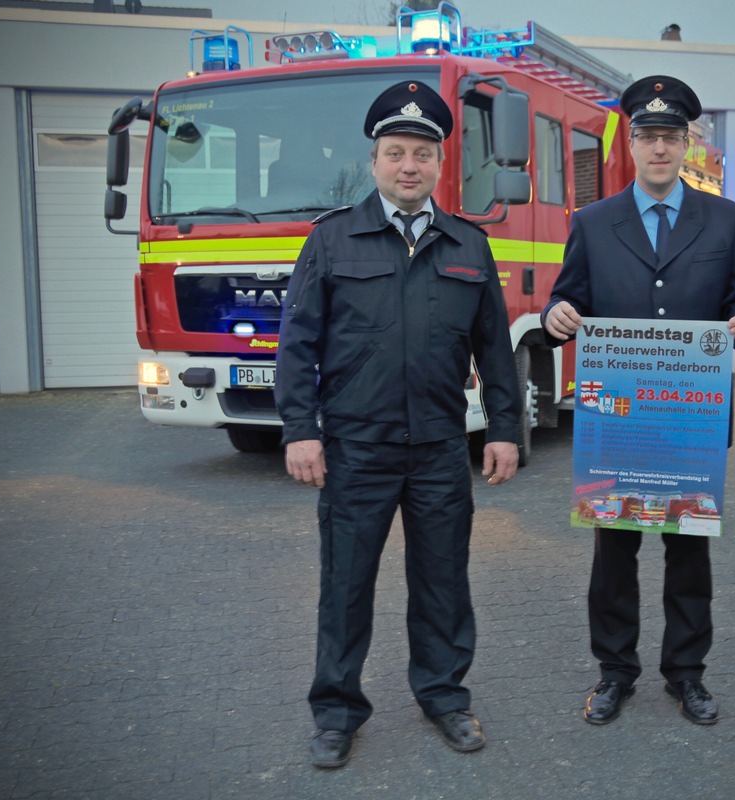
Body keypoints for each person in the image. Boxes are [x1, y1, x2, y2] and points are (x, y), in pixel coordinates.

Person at [275, 80, 521, 769]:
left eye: (420, 153)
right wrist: (300, 428)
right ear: (374, 161)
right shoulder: (332, 240)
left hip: (442, 448)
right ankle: (336, 711)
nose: (407, 165)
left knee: (444, 584)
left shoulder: (468, 244)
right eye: (394, 153)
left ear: (440, 163)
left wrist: (504, 427)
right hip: (356, 448)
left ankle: (444, 697)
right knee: (345, 585)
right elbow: (297, 343)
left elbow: (495, 348)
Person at [543, 75, 735, 727]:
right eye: (648, 136)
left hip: (687, 425)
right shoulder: (592, 221)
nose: (659, 149)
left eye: (671, 137)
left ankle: (687, 674)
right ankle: (615, 673)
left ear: (686, 146)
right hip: (618, 427)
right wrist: (560, 313)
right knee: (613, 554)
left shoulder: (727, 221)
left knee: (686, 553)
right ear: (631, 144)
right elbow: (570, 294)